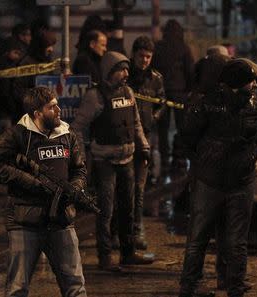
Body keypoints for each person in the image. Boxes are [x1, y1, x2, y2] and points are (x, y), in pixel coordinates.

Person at [178, 59, 257, 297]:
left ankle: (235, 285)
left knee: (235, 241)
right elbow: (189, 134)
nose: (255, 85)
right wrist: (203, 157)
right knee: (198, 237)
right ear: (236, 81)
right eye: (251, 80)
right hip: (209, 180)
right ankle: (190, 285)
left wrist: (252, 153)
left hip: (239, 181)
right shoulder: (209, 103)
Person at [0, 86, 87, 297]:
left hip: (60, 220)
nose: (58, 110)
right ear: (37, 113)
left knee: (75, 285)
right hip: (25, 220)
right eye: (52, 107)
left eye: (57, 105)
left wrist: (76, 187)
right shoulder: (17, 135)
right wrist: (29, 181)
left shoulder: (66, 134)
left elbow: (79, 169)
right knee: (17, 289)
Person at [72, 51, 154, 271]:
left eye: (127, 69)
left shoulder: (128, 92)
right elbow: (78, 128)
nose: (126, 74)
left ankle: (128, 254)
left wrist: (144, 148)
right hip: (104, 161)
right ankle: (105, 257)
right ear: (109, 72)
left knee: (127, 208)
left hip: (126, 159)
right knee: (106, 210)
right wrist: (81, 158)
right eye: (121, 70)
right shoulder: (95, 96)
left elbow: (135, 123)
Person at [127, 35, 166, 249]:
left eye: (148, 57)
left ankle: (137, 229)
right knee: (124, 187)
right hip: (125, 137)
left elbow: (162, 102)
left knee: (140, 187)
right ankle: (121, 230)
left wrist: (152, 118)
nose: (144, 60)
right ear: (134, 54)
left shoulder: (156, 78)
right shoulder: (124, 75)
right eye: (141, 56)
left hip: (146, 137)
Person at [151, 19, 194, 171]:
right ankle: (180, 156)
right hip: (180, 93)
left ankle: (164, 158)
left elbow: (153, 71)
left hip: (162, 94)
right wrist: (188, 90)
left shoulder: (158, 47)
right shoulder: (184, 48)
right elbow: (190, 72)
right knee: (182, 126)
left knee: (163, 127)